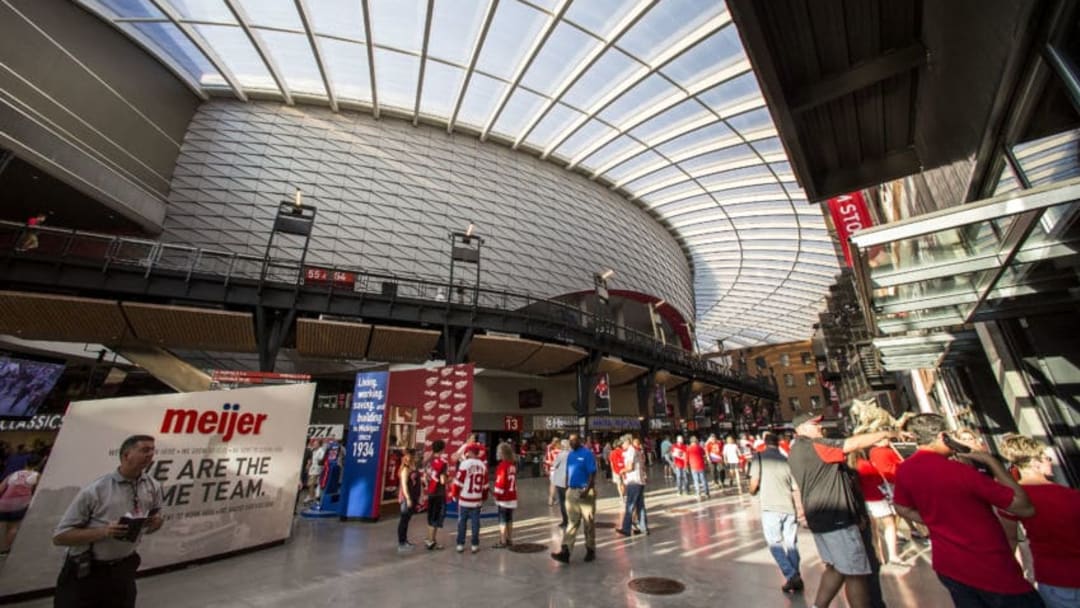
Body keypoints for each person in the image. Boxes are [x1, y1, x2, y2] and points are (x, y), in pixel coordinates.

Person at [892, 414, 1041, 607]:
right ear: (943, 436)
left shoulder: (906, 469)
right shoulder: (960, 471)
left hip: (949, 564)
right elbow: (1024, 507)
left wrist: (934, 520)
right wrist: (991, 462)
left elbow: (902, 507)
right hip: (989, 565)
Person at [787, 413, 897, 608]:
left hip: (819, 517)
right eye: (814, 425)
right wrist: (885, 432)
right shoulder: (816, 446)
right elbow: (850, 445)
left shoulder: (795, 451)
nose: (820, 428)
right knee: (856, 573)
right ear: (801, 429)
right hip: (837, 518)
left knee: (836, 568)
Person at [52, 435, 164, 608]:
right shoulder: (96, 490)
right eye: (144, 450)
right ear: (126, 455)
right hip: (87, 573)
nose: (150, 454)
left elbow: (150, 527)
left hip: (123, 571)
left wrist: (155, 523)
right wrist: (105, 531)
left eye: (152, 450)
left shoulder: (153, 486)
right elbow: (60, 537)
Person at [998, 434, 1080, 608]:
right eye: (1047, 458)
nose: (1050, 462)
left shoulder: (1012, 499)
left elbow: (1009, 540)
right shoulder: (1072, 496)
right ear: (1036, 463)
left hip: (1053, 577)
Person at [749, 433, 803, 593]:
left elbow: (754, 482)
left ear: (765, 444)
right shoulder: (787, 461)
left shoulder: (759, 458)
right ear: (778, 444)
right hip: (788, 507)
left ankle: (791, 575)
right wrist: (800, 509)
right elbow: (795, 488)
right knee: (791, 543)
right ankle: (796, 576)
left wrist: (752, 491)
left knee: (774, 543)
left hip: (770, 507)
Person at [551, 434, 597, 564]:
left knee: (588, 522)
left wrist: (587, 490)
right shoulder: (570, 455)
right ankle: (565, 552)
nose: (571, 442)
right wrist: (567, 487)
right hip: (572, 491)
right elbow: (568, 472)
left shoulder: (587, 454)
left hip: (585, 491)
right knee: (572, 522)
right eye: (570, 440)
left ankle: (590, 549)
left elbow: (592, 473)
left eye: (574, 440)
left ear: (580, 441)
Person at [0, 454, 41, 553]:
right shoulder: (36, 475)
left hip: (4, 503)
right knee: (13, 527)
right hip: (20, 505)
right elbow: (37, 491)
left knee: (2, 525)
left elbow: (1, 488)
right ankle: (5, 550)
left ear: (26, 463)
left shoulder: (14, 474)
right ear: (39, 464)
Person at [453, 444, 488, 554]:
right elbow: (485, 486)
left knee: (462, 523)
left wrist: (454, 494)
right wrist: (484, 498)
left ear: (471, 452)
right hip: (477, 500)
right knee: (475, 523)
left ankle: (460, 544)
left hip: (464, 499)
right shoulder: (483, 466)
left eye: (467, 452)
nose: (466, 453)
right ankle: (474, 545)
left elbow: (458, 482)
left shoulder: (464, 464)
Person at [616, 436, 648, 537]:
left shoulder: (630, 451)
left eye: (622, 443)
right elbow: (643, 465)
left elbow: (630, 467)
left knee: (630, 506)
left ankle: (626, 529)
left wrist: (622, 471)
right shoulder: (637, 451)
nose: (621, 445)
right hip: (640, 481)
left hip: (633, 481)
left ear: (627, 442)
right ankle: (643, 528)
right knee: (640, 506)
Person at [423, 440, 449, 551]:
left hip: (430, 492)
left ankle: (430, 539)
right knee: (436, 518)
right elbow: (443, 481)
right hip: (439, 493)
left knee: (430, 517)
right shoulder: (443, 463)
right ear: (443, 449)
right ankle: (431, 541)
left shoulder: (428, 461)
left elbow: (425, 477)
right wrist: (450, 479)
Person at [492, 442, 518, 549]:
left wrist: (496, 494)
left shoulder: (502, 466)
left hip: (503, 498)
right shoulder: (512, 466)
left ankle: (502, 540)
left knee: (502, 519)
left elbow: (500, 482)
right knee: (509, 518)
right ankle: (510, 539)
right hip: (512, 496)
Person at [397, 450, 421, 553]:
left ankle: (405, 540)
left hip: (413, 496)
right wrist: (408, 498)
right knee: (404, 519)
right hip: (407, 498)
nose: (417, 457)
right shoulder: (405, 470)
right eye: (415, 456)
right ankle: (401, 542)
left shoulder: (413, 468)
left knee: (407, 520)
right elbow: (404, 485)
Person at [550, 439, 570, 529]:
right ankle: (571, 520)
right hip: (570, 481)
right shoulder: (572, 454)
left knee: (562, 501)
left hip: (561, 481)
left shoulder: (561, 455)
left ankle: (565, 521)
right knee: (570, 501)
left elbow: (554, 465)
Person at [608, 438, 626, 503]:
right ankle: (624, 496)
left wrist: (613, 470)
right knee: (623, 483)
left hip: (616, 470)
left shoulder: (612, 453)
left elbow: (611, 463)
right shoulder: (624, 451)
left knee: (618, 484)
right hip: (624, 470)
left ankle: (621, 497)